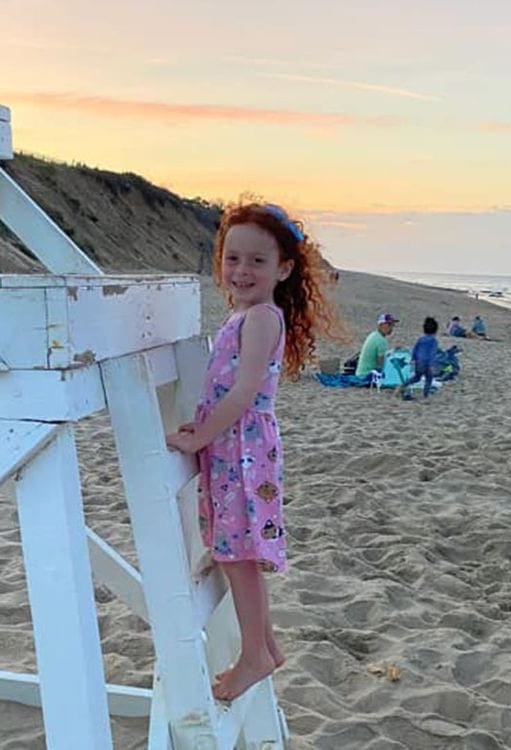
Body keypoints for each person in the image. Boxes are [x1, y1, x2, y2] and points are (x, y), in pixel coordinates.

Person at [165, 199, 346, 701]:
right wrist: (204, 426)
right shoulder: (246, 316)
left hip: (242, 449)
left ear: (284, 269)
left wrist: (200, 437)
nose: (241, 270)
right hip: (234, 446)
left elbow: (243, 393)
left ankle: (255, 655)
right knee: (233, 549)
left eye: (257, 261)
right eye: (232, 258)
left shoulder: (262, 317)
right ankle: (264, 644)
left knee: (238, 554)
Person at [399, 316, 439, 398]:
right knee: (429, 378)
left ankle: (404, 384)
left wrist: (413, 359)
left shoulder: (421, 339)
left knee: (417, 377)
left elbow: (415, 349)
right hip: (427, 364)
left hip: (419, 362)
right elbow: (432, 353)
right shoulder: (434, 341)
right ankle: (425, 394)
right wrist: (432, 365)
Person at [355, 313, 398, 377]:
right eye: (389, 324)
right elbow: (382, 364)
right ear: (381, 325)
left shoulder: (373, 335)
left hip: (360, 373)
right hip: (367, 375)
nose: (391, 327)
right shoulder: (381, 341)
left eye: (392, 325)